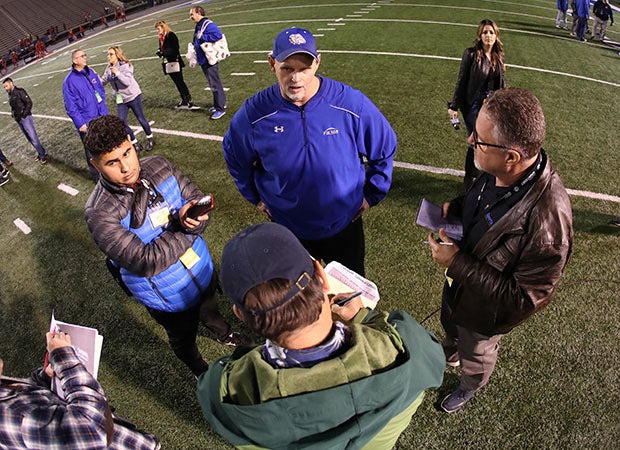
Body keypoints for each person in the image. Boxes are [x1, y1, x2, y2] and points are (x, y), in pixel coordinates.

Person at [198, 222, 445, 449]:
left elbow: (213, 389)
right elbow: (435, 361)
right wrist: (366, 318)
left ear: (239, 314)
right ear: (321, 275)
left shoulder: (227, 392)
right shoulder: (405, 345)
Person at [427, 87, 573, 413]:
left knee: (476, 353)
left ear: (512, 157)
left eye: (479, 139)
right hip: (462, 287)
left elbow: (523, 299)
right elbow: (482, 198)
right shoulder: (501, 168)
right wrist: (459, 207)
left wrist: (457, 263)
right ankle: (451, 348)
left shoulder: (549, 223)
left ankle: (469, 385)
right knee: (452, 322)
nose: (470, 142)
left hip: (485, 313)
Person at [83, 115, 249, 377]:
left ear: (131, 142)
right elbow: (147, 262)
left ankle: (224, 333)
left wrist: (195, 217)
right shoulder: (99, 213)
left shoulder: (160, 165)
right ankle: (198, 370)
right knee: (183, 339)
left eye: (127, 153)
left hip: (201, 270)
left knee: (210, 308)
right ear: (96, 165)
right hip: (165, 297)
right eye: (112, 162)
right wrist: (186, 227)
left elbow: (197, 201)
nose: (126, 167)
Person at [223, 27, 397, 277]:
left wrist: (372, 195)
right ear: (272, 64)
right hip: (289, 228)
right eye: (287, 68)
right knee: (300, 299)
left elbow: (384, 146)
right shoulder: (255, 114)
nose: (296, 78)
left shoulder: (350, 103)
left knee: (352, 296)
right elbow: (234, 156)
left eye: (304, 68)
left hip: (344, 224)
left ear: (318, 62)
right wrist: (255, 197)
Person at [0, 331, 159, 449]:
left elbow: (28, 395)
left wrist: (45, 377)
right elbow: (93, 429)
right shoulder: (11, 416)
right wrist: (63, 356)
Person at [448, 19, 506, 190]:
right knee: (478, 140)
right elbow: (462, 80)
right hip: (471, 104)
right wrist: (454, 106)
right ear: (480, 35)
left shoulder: (498, 56)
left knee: (485, 141)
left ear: (496, 36)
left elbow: (502, 84)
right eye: (485, 32)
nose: (488, 35)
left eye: (491, 32)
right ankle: (471, 179)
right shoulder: (471, 54)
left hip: (489, 105)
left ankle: (475, 175)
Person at [62, 48, 108, 180]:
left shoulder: (91, 72)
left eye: (85, 55)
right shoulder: (69, 81)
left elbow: (100, 89)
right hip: (87, 121)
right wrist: (80, 123)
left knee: (105, 143)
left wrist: (102, 105)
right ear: (75, 60)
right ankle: (97, 177)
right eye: (82, 56)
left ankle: (108, 170)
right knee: (91, 151)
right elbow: (70, 106)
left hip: (101, 114)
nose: (85, 58)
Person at [101, 46, 155, 152]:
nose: (108, 57)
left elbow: (126, 82)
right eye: (108, 54)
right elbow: (102, 82)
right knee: (122, 123)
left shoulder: (126, 65)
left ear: (117, 55)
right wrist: (92, 76)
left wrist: (117, 73)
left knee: (141, 118)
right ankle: (135, 143)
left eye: (111, 54)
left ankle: (150, 138)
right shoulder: (108, 69)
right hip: (121, 100)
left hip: (133, 96)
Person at [189, 5, 227, 119]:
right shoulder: (199, 25)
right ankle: (217, 104)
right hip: (204, 59)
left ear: (199, 13)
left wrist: (203, 37)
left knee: (215, 84)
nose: (190, 17)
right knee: (212, 84)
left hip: (209, 59)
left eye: (192, 14)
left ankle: (221, 108)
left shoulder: (208, 24)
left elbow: (218, 35)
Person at [3, 77, 49, 165]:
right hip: (19, 120)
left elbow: (29, 103)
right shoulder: (10, 94)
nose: (5, 88)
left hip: (25, 118)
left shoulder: (20, 91)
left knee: (33, 138)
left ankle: (42, 155)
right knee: (29, 138)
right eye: (4, 87)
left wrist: (24, 115)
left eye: (6, 86)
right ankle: (41, 152)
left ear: (11, 83)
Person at [155, 20, 199, 110]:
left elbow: (175, 49)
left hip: (175, 61)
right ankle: (183, 99)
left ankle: (189, 100)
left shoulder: (171, 35)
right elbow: (163, 48)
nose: (157, 30)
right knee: (177, 82)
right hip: (168, 63)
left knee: (180, 81)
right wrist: (160, 51)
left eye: (158, 28)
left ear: (163, 27)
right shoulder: (161, 37)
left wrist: (163, 53)